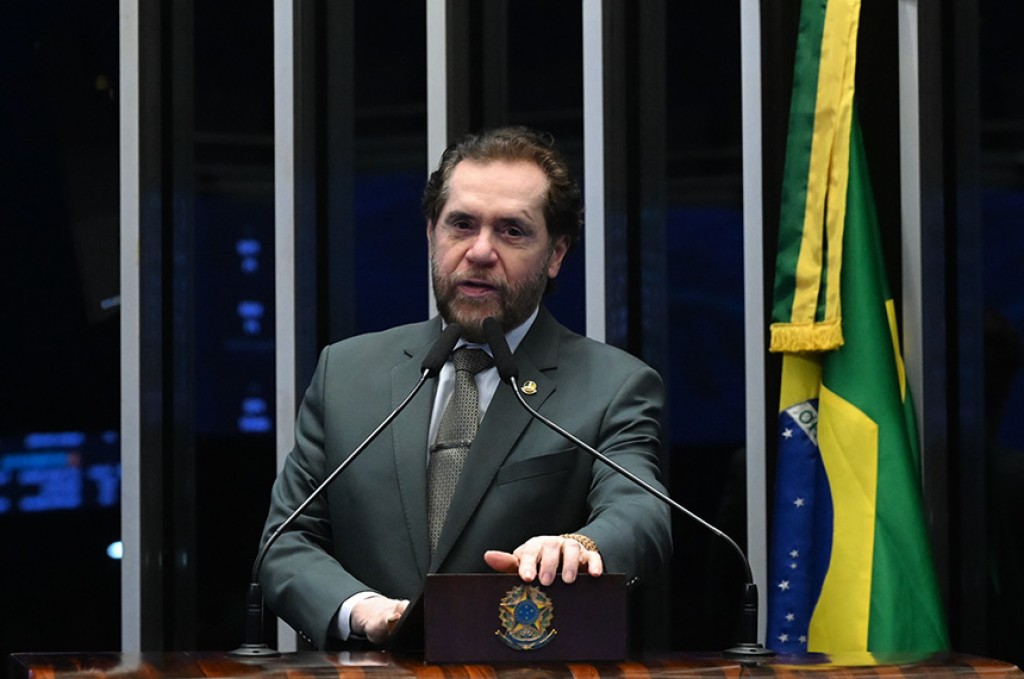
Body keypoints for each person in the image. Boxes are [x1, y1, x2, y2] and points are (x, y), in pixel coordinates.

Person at [258, 126, 672, 650]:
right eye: (462, 224)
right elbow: (286, 540)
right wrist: (362, 609)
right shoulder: (346, 373)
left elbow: (641, 512)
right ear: (432, 234)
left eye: (512, 231)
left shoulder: (613, 385)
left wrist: (582, 545)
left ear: (556, 254)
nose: (480, 251)